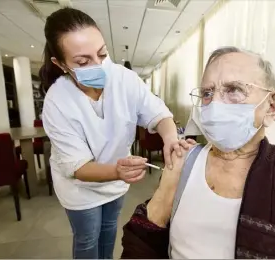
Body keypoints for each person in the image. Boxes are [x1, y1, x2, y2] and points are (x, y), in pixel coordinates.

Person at [121, 47, 275, 258]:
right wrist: (167, 188)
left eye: (234, 90)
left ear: (271, 106)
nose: (216, 104)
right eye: (207, 93)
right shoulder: (185, 163)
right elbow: (138, 246)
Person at [40, 7, 191, 259]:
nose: (99, 66)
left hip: (116, 183)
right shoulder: (58, 101)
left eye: (102, 53)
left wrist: (170, 138)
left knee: (109, 230)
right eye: (82, 61)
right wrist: (117, 171)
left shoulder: (123, 78)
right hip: (80, 188)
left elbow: (158, 114)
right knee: (88, 239)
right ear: (61, 64)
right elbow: (78, 167)